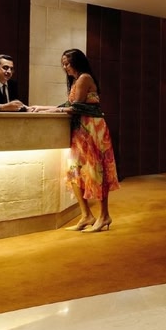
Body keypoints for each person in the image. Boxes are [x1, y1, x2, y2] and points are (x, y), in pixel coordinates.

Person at [34, 48, 119, 232]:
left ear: (77, 62)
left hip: (93, 129)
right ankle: (86, 215)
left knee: (97, 171)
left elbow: (76, 107)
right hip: (81, 130)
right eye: (63, 64)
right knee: (74, 172)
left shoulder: (84, 78)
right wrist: (43, 107)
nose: (65, 67)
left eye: (67, 63)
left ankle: (104, 215)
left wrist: (50, 109)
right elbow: (69, 105)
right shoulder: (75, 81)